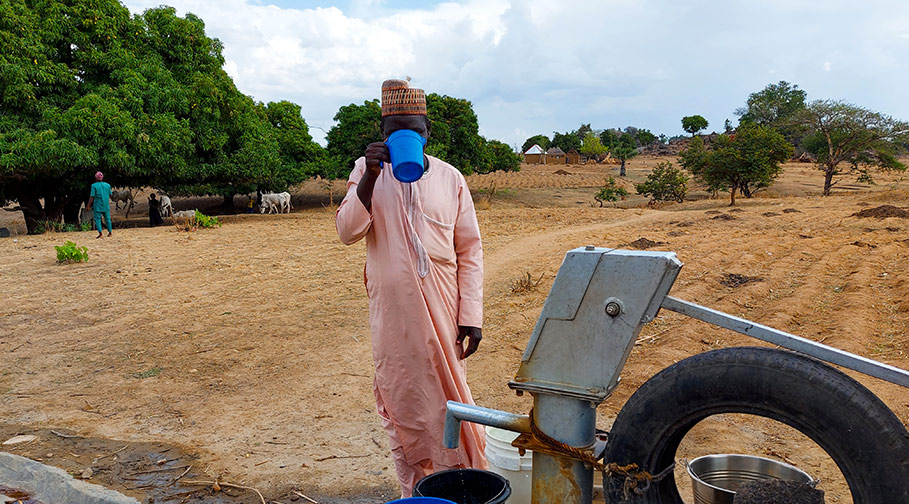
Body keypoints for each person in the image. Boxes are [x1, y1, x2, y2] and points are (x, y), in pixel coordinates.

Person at [335, 79, 488, 497]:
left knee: (448, 403)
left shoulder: (451, 178)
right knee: (403, 403)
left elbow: (469, 250)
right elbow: (347, 232)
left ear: (426, 133)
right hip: (394, 318)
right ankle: (416, 491)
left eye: (413, 131)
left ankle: (462, 485)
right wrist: (368, 176)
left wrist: (471, 317)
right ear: (383, 136)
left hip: (444, 314)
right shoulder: (365, 172)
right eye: (394, 132)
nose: (405, 138)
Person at [87, 171, 112, 238]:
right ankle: (110, 232)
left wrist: (88, 206)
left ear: (96, 178)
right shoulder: (107, 185)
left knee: (97, 219)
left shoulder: (94, 186)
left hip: (98, 205)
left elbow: (92, 196)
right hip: (106, 205)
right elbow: (110, 195)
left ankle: (100, 233)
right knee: (107, 219)